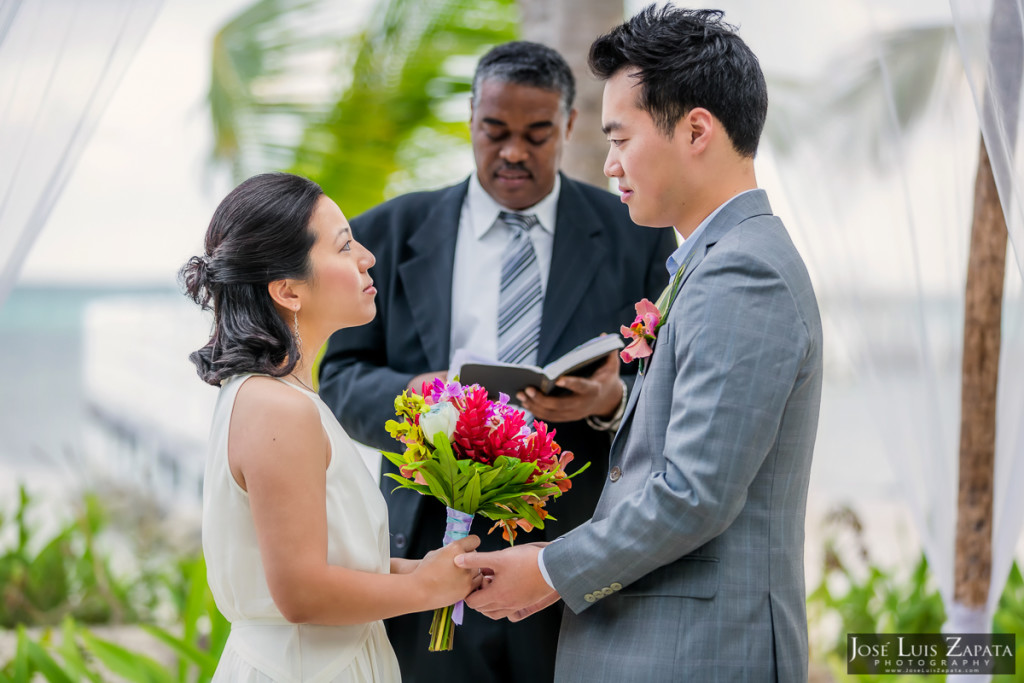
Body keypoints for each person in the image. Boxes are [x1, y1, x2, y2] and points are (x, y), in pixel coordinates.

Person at [456, 7, 824, 683]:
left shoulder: (745, 271)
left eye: (621, 138)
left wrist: (546, 569)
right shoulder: (711, 260)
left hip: (695, 654)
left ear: (696, 130)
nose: (609, 162)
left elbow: (691, 492)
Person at [317, 42, 677, 683]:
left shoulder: (636, 238)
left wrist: (609, 401)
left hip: (570, 549)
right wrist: (422, 399)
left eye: (537, 134)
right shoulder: (391, 233)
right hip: (424, 548)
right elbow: (341, 378)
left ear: (568, 125)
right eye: (495, 132)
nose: (513, 152)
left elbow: (671, 384)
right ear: (471, 119)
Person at [181, 172, 481, 682]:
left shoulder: (278, 397)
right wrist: (426, 591)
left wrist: (437, 571)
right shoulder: (278, 408)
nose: (368, 257)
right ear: (289, 291)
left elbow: (324, 564)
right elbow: (302, 593)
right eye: (344, 247)